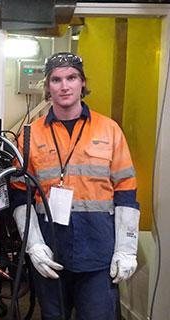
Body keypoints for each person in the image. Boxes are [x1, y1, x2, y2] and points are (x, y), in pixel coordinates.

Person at [10, 52, 140, 319]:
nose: (64, 86)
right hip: (51, 252)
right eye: (56, 80)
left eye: (71, 78)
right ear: (47, 86)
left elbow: (126, 191)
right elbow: (19, 195)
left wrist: (126, 250)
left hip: (98, 254)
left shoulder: (109, 130)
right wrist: (34, 245)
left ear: (82, 83)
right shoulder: (30, 134)